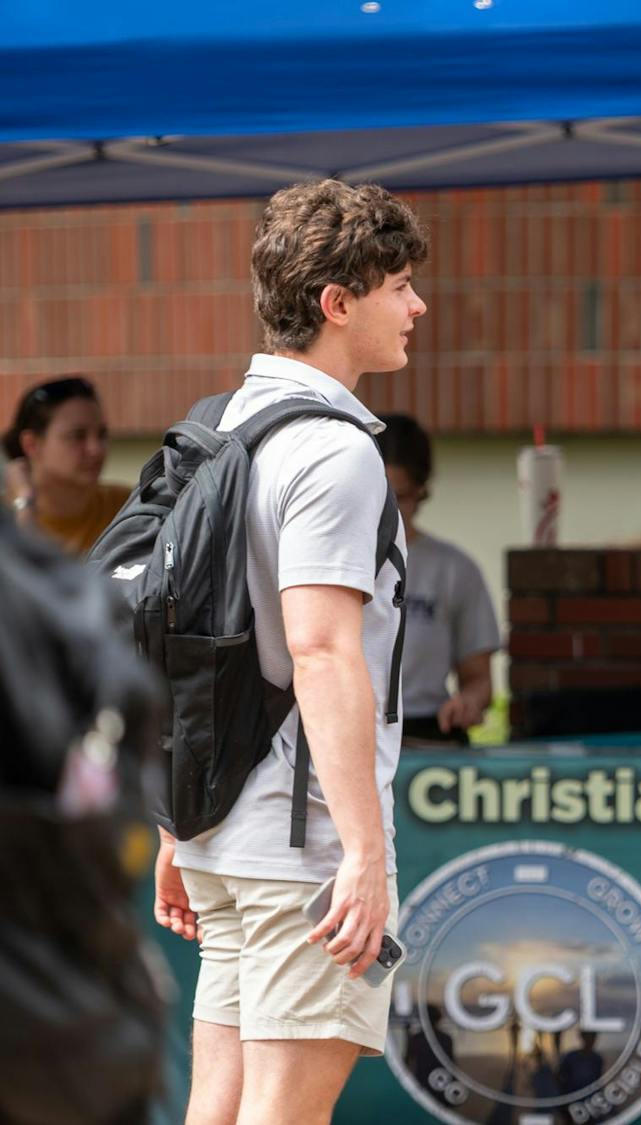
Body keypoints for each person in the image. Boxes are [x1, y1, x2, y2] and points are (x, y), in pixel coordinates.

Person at [151, 179, 429, 1125]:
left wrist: (173, 823)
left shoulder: (219, 426)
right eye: (398, 285)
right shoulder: (335, 450)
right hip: (299, 844)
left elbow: (182, 636)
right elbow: (319, 649)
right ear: (336, 303)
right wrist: (366, 850)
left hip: (219, 832)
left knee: (217, 1112)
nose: (417, 306)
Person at [374, 413, 502, 745]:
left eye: (399, 498)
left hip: (428, 732)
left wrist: (469, 703)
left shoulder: (453, 569)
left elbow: (478, 678)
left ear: (421, 492)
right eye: (377, 496)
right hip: (351, 730)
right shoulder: (330, 562)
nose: (387, 511)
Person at [3, 376, 131, 555]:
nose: (95, 449)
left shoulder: (128, 507)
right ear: (31, 445)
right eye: (77, 436)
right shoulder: (7, 517)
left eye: (101, 434)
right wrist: (24, 502)